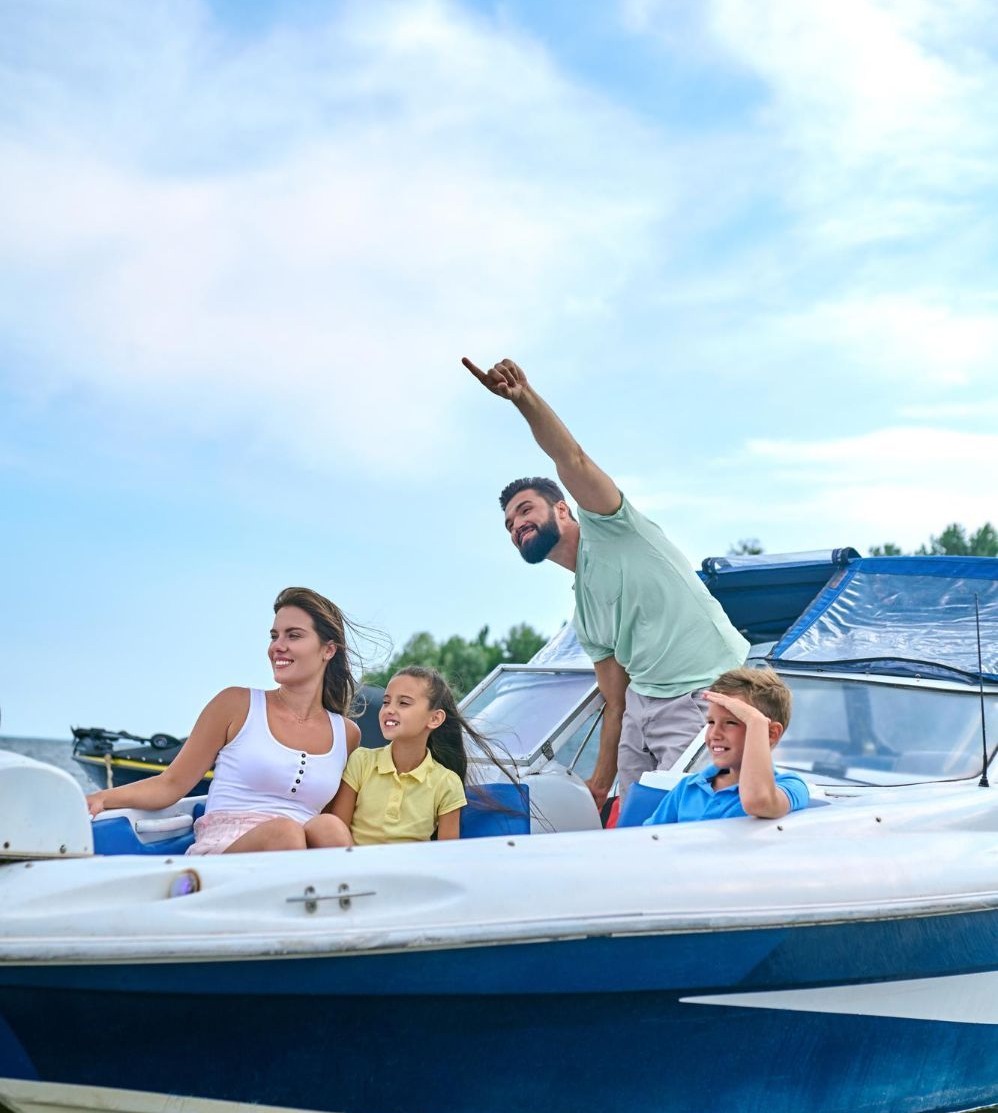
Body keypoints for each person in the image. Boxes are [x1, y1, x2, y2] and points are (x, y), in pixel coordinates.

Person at [463, 357, 749, 806]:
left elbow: (570, 457)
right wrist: (598, 785)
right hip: (642, 710)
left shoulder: (614, 527)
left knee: (688, 821)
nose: (516, 525)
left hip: (703, 694)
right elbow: (615, 703)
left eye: (524, 510)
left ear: (563, 509)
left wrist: (524, 399)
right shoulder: (585, 615)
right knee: (633, 826)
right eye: (509, 525)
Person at [85, 587, 362, 854]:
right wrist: (102, 798)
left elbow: (334, 821)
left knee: (330, 828)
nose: (278, 646)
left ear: (328, 650)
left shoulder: (346, 734)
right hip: (226, 853)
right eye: (274, 636)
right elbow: (170, 784)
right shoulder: (235, 705)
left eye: (293, 636)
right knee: (284, 833)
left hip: (299, 862)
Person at [330, 665, 511, 844]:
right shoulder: (360, 761)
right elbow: (337, 832)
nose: (389, 709)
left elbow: (447, 854)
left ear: (435, 719)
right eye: (386, 702)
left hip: (413, 872)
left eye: (404, 703)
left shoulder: (447, 783)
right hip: (357, 868)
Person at [643, 667, 809, 824]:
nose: (715, 733)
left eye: (730, 722)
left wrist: (756, 722)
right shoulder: (688, 788)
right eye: (711, 722)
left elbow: (758, 802)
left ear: (771, 733)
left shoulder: (791, 785)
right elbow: (649, 841)